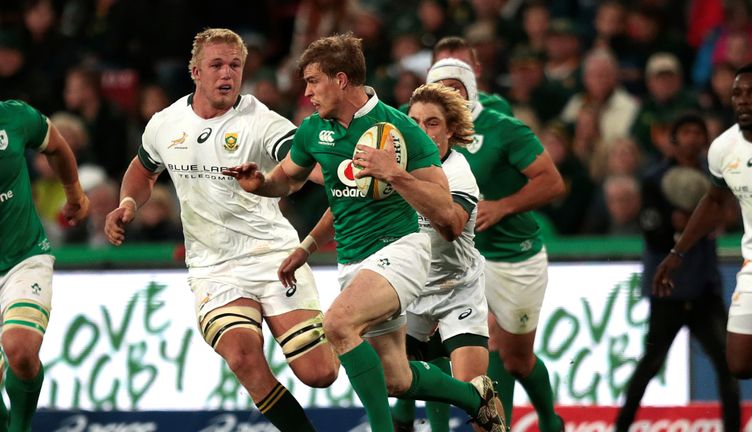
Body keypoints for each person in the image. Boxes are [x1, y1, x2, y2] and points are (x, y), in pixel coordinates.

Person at [223, 33, 505, 432]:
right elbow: (287, 178)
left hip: (402, 251)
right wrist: (261, 184)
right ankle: (475, 398)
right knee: (396, 378)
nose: (306, 92)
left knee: (337, 323)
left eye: (313, 81)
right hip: (353, 261)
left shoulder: (401, 128)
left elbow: (444, 211)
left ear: (341, 80)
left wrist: (394, 173)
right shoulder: (312, 131)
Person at [103, 28, 338, 432]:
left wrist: (343, 175)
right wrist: (127, 203)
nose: (227, 74)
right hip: (213, 267)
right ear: (195, 72)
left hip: (273, 256)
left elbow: (303, 162)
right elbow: (142, 171)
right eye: (216, 65)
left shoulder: (260, 120)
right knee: (243, 356)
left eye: (235, 65)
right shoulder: (165, 124)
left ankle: (355, 334)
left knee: (320, 373)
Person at [426, 58, 566, 431]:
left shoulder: (505, 129)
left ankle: (551, 422)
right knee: (458, 347)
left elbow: (552, 182)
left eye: (455, 86)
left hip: (514, 256)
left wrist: (503, 206)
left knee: (517, 358)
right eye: (440, 88)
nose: (448, 95)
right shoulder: (422, 134)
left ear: (470, 89)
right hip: (463, 261)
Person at [655, 63, 752, 422]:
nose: (744, 100)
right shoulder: (724, 148)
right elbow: (716, 201)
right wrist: (677, 253)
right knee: (741, 363)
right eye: (738, 93)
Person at [615, 113, 741, 432]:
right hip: (668, 290)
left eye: (698, 132)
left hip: (704, 289)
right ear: (674, 139)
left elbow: (726, 217)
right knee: (649, 365)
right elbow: (651, 232)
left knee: (730, 365)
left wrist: (691, 224)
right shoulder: (654, 180)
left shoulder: (717, 180)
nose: (692, 138)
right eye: (685, 132)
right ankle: (622, 427)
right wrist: (683, 229)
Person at [0, 99, 90, 431]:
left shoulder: (14, 117)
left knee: (19, 350)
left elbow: (56, 145)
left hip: (23, 258)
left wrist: (74, 194)